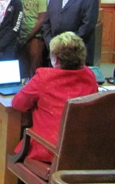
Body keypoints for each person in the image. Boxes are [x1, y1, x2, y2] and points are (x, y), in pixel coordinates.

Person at [12, 31, 98, 163]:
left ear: (55, 59)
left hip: (50, 150)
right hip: (83, 148)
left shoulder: (44, 77)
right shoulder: (89, 75)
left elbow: (18, 104)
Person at [43, 0, 99, 65]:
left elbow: (87, 26)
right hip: (54, 51)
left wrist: (67, 44)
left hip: (76, 51)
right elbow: (46, 24)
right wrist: (50, 43)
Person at [16, 0, 47, 78]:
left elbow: (41, 20)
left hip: (35, 36)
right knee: (21, 67)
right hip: (20, 36)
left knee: (34, 67)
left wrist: (28, 36)